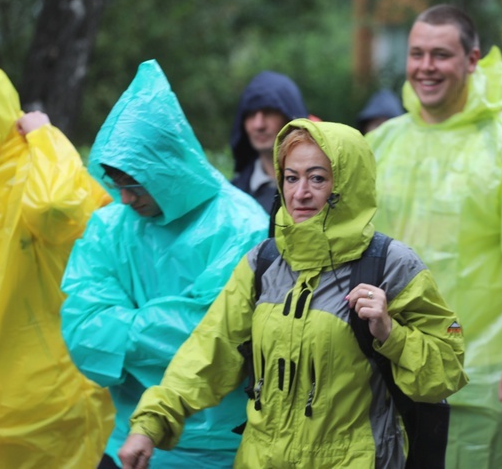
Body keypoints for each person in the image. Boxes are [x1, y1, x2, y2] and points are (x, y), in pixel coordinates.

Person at [117, 118, 468, 468]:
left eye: (317, 178)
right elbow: (209, 350)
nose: (300, 193)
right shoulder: (262, 263)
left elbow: (448, 367)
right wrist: (151, 423)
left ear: (349, 183)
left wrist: (392, 335)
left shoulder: (391, 265)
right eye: (291, 177)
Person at [367, 4, 502, 467]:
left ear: (472, 59)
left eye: (440, 54)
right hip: (393, 362)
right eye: (416, 53)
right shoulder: (381, 144)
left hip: (486, 373)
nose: (425, 67)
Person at [60, 60, 269, 468]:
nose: (123, 198)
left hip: (219, 450)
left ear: (166, 168)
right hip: (127, 445)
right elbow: (82, 334)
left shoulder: (241, 226)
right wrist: (168, 327)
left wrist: (121, 325)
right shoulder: (109, 227)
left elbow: (215, 338)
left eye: (133, 184)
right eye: (116, 183)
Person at [0, 64, 113, 467]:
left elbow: (59, 208)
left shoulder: (31, 173)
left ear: (0, 131)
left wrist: (45, 136)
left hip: (37, 385)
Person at [230, 70, 309, 213]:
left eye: (269, 112)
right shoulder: (233, 196)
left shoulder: (322, 191)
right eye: (250, 114)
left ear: (290, 117)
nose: (258, 125)